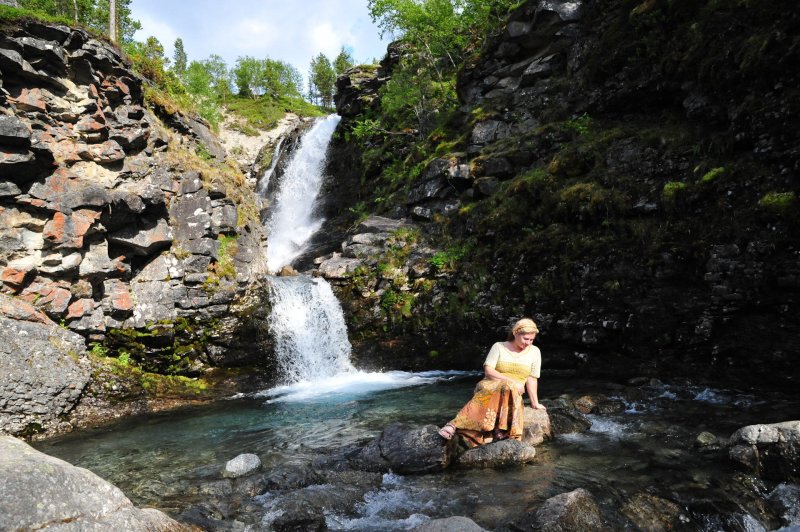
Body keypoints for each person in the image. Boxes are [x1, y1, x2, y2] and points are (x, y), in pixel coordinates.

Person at [438, 318, 546, 447]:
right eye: (525, 339)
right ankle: (455, 424)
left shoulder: (535, 352)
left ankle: (494, 428)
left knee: (508, 388)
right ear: (516, 333)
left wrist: (535, 403)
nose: (528, 343)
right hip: (490, 384)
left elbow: (532, 378)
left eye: (531, 340)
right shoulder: (499, 346)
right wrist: (512, 382)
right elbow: (488, 371)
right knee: (506, 386)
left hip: (511, 391)